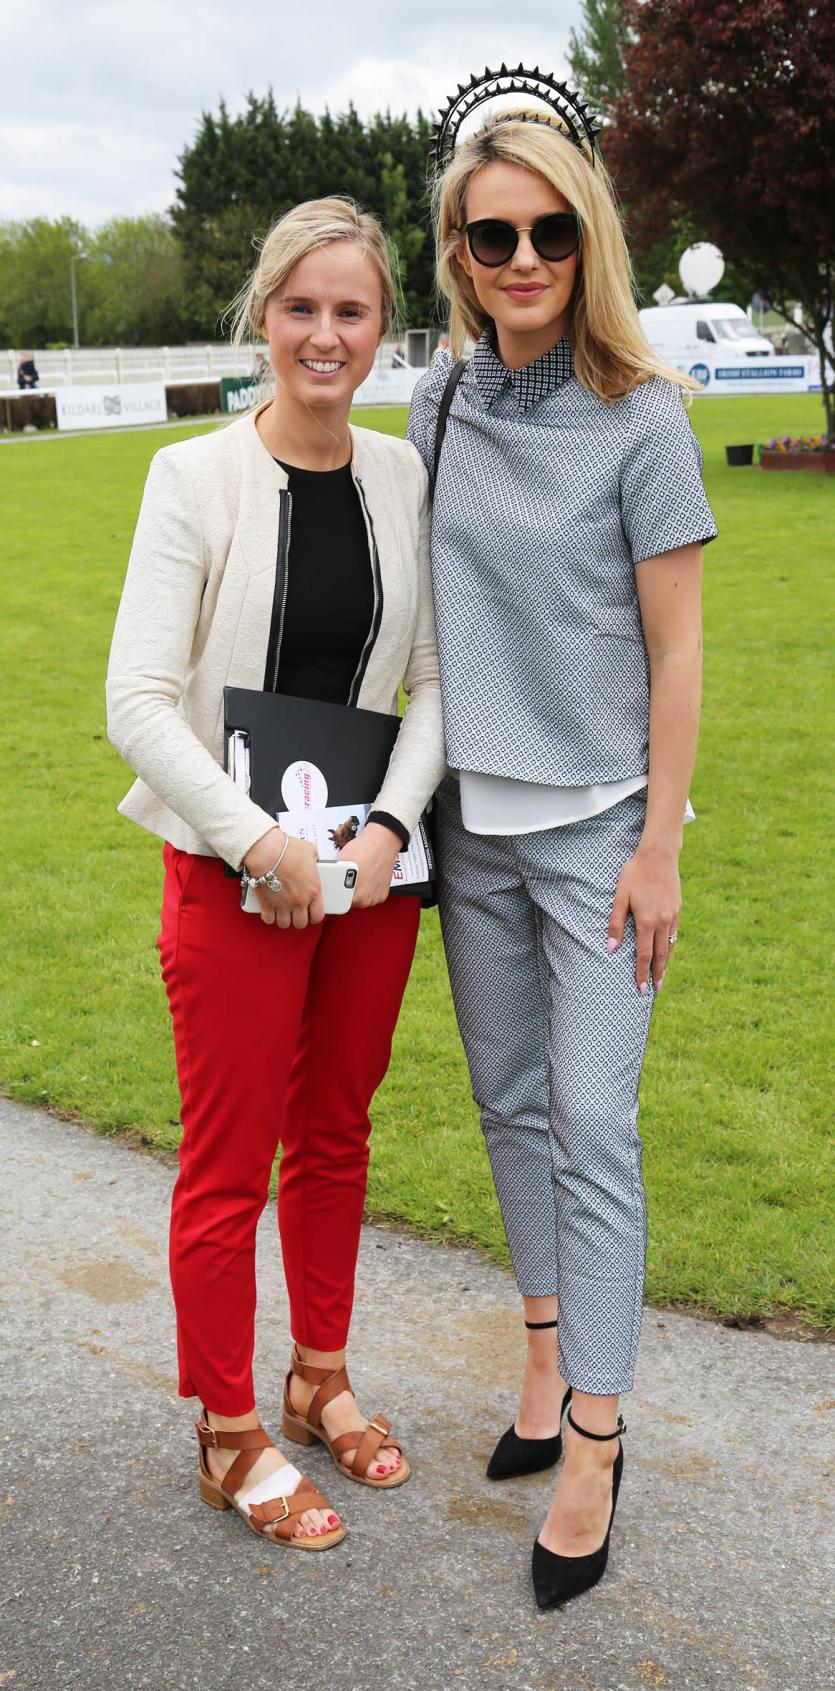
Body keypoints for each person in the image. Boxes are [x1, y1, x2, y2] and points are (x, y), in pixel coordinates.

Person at [407, 79, 716, 1608]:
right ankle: (543, 1368)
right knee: (508, 1102)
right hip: (473, 828)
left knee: (594, 1128)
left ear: (582, 236)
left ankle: (597, 1438)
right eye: (490, 236)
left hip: (600, 836)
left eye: (545, 229)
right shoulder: (445, 401)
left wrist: (659, 848)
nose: (520, 257)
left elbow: (677, 654)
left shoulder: (645, 414)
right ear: (458, 255)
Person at [107, 197, 446, 1552]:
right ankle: (229, 1430)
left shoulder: (404, 476)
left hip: (369, 882)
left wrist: (383, 834)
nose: (324, 333)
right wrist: (262, 842)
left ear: (380, 330)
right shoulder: (192, 480)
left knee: (341, 1135)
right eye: (300, 307)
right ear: (265, 316)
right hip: (235, 881)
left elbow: (432, 679)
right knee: (228, 1162)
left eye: (350, 311)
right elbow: (136, 701)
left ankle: (318, 1375)